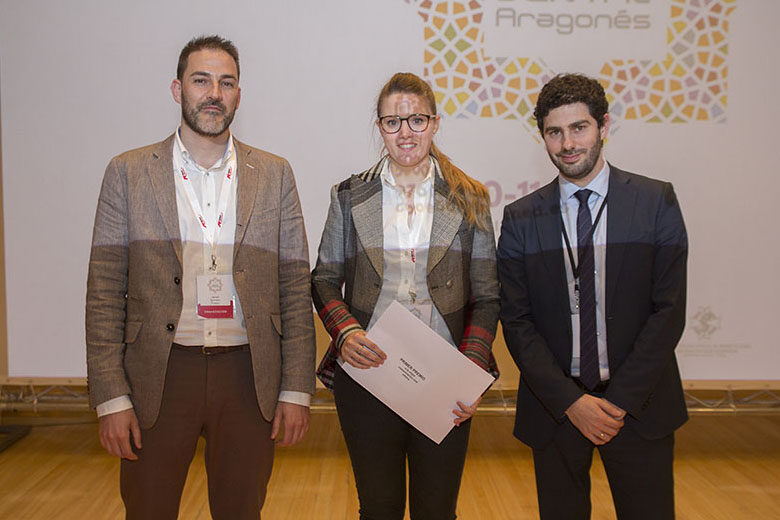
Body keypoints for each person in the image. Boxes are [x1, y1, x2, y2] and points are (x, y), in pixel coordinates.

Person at [85, 35, 315, 520]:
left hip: (248, 374)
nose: (214, 93)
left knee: (241, 510)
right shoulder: (127, 172)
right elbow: (103, 293)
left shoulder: (274, 174)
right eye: (201, 80)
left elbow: (295, 288)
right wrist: (110, 398)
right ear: (178, 89)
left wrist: (296, 388)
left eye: (226, 83)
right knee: (148, 509)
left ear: (238, 95)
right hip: (159, 374)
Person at [497, 73, 688, 520]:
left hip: (639, 407)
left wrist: (617, 402)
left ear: (603, 126)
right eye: (554, 132)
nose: (567, 144)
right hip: (556, 410)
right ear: (543, 137)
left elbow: (669, 311)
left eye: (579, 128)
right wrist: (572, 403)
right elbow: (517, 321)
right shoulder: (520, 218)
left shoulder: (655, 201)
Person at [311, 72, 499, 520]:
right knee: (379, 508)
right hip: (368, 376)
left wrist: (469, 374)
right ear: (380, 127)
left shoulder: (470, 198)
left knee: (437, 510)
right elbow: (324, 279)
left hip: (445, 382)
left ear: (434, 123)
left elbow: (488, 297)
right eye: (393, 122)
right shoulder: (349, 196)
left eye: (417, 120)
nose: (406, 133)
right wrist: (346, 333)